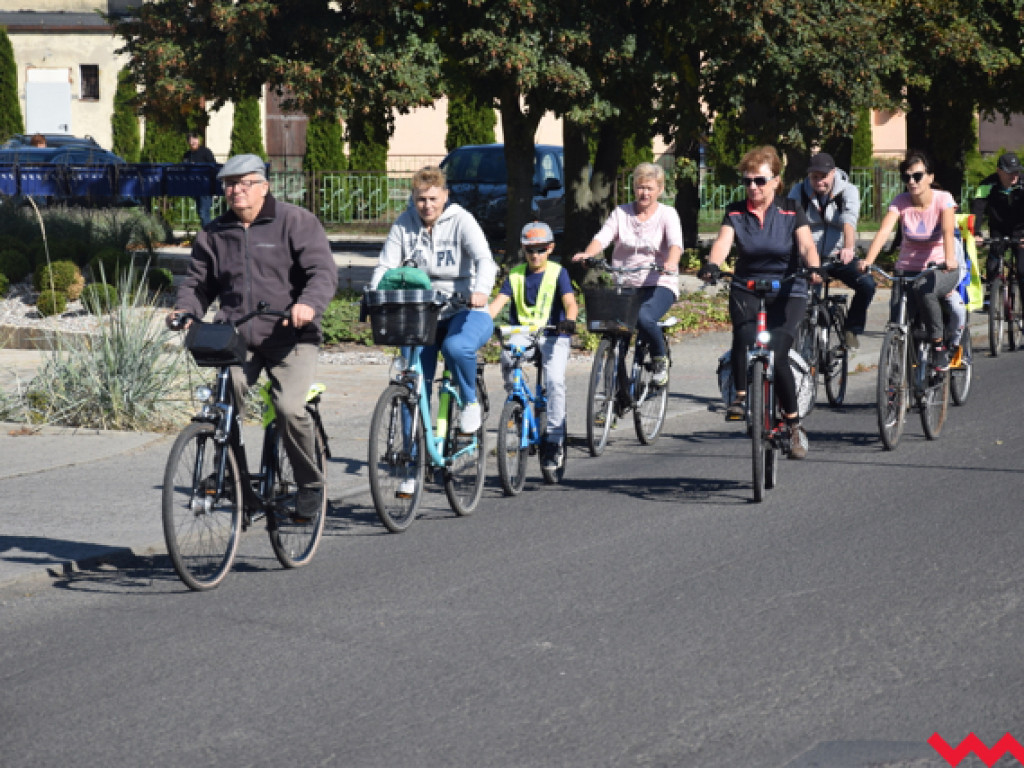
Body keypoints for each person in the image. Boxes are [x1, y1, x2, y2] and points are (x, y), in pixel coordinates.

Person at [167, 153, 338, 521]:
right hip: (236, 336)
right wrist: (186, 311)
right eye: (229, 184)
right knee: (225, 402)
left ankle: (311, 484)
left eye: (245, 182)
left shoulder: (295, 221)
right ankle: (235, 477)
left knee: (289, 408)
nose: (236, 190)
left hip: (290, 334)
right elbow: (197, 284)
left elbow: (322, 272)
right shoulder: (214, 232)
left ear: (265, 186)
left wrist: (307, 304)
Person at [697, 145, 820, 459]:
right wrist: (713, 265)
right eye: (748, 181)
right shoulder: (736, 212)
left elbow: (806, 246)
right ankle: (739, 397)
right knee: (744, 334)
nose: (753, 187)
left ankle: (793, 425)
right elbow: (723, 243)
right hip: (747, 285)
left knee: (777, 354)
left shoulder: (793, 209)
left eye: (760, 181)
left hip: (788, 289)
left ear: (776, 181)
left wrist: (814, 268)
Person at [370, 165, 497, 437]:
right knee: (412, 383)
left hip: (464, 307)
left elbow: (485, 260)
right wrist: (374, 294)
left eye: (433, 199)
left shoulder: (462, 220)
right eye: (420, 199)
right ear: (413, 198)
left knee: (456, 346)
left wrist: (481, 290)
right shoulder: (404, 223)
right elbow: (385, 266)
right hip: (421, 314)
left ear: (445, 196)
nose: (427, 206)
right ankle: (410, 460)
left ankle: (469, 401)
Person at [571, 162, 682, 386]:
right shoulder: (621, 213)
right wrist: (588, 254)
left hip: (658, 282)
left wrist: (671, 262)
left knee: (643, 317)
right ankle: (614, 397)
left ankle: (660, 359)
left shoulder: (667, 214)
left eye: (650, 188)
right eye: (641, 187)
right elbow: (603, 237)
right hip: (626, 284)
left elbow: (675, 244)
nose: (645, 193)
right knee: (615, 334)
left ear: (659, 190)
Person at [488, 221, 578, 471]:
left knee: (555, 381)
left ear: (550, 248)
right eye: (530, 250)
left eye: (540, 249)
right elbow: (497, 304)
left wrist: (568, 322)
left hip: (553, 334)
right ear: (523, 249)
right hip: (523, 333)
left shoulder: (558, 272)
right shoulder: (515, 274)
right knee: (507, 357)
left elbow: (570, 303)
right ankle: (517, 403)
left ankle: (555, 440)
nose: (535, 255)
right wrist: (483, 321)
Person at [859, 150, 960, 371]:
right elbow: (885, 231)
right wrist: (867, 261)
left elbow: (947, 230)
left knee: (926, 291)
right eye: (907, 178)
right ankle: (902, 375)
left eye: (917, 176)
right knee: (897, 319)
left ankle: (937, 345)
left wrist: (950, 259)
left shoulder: (943, 199)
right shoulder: (901, 201)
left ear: (930, 177)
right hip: (906, 270)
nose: (912, 182)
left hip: (940, 268)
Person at [787, 152, 876, 348]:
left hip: (838, 256)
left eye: (823, 177)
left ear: (833, 173)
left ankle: (852, 328)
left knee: (867, 284)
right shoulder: (799, 191)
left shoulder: (848, 191)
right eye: (814, 177)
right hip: (810, 259)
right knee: (806, 297)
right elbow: (790, 222)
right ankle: (804, 340)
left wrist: (848, 247)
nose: (819, 182)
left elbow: (849, 220)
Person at [970, 151, 1024, 294]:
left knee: (1022, 269)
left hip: (1021, 230)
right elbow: (977, 209)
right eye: (1010, 172)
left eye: (1017, 171)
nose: (1014, 176)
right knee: (993, 264)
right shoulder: (987, 185)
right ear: (999, 171)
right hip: (998, 229)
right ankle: (991, 292)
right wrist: (976, 233)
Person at [182, 132, 217, 228]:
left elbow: (213, 167)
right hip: (194, 187)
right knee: (200, 211)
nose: (193, 143)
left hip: (206, 187)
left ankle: (208, 233)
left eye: (195, 140)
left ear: (198, 140)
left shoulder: (206, 152)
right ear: (188, 142)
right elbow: (184, 169)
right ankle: (208, 232)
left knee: (203, 212)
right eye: (191, 141)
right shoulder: (187, 155)